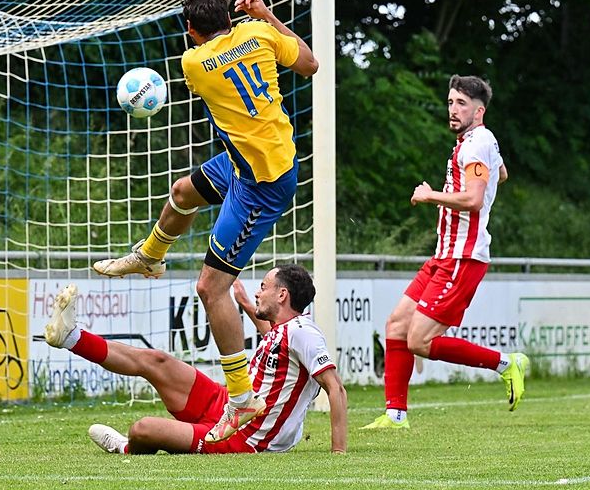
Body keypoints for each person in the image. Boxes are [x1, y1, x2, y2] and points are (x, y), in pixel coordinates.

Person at [92, 0, 319, 442]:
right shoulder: (258, 32)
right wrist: (268, 15)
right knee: (181, 193)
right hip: (249, 159)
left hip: (262, 186)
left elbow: (212, 53)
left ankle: (240, 397)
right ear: (233, 16)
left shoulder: (193, 63)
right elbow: (310, 64)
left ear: (190, 28)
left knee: (211, 288)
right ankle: (150, 255)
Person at [361, 75, 528, 430]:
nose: (453, 109)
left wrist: (430, 195)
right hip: (444, 253)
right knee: (397, 323)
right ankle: (395, 415)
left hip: (462, 257)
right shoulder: (478, 141)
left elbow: (473, 198)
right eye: (451, 102)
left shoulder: (476, 144)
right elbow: (502, 173)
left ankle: (505, 363)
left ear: (478, 111)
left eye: (461, 104)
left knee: (419, 340)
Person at [44, 265, 347, 454]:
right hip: (227, 403)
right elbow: (275, 336)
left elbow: (336, 387)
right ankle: (72, 337)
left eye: (264, 287)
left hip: (245, 437)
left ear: (282, 295)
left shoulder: (304, 332)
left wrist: (338, 453)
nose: (258, 292)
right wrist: (242, 302)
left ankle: (125, 447)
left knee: (143, 430)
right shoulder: (284, 329)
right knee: (156, 360)